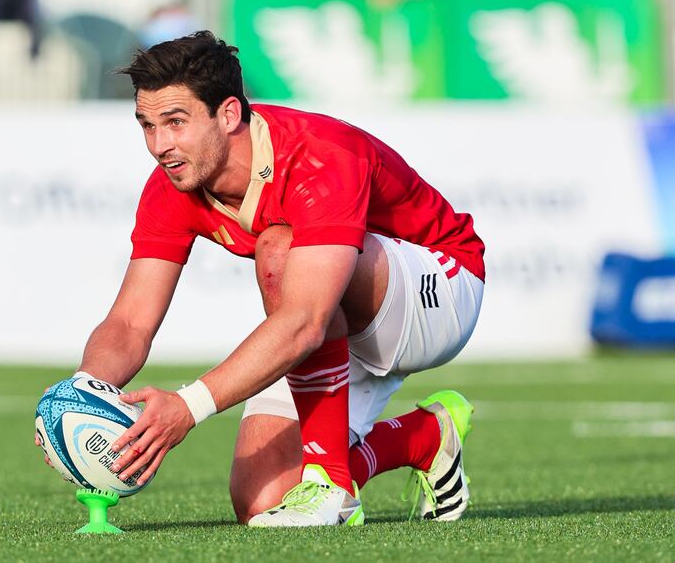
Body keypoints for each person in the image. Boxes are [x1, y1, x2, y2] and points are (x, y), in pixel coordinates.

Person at [42, 30, 485, 526]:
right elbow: (128, 323)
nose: (159, 145)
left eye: (175, 123)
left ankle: (331, 481)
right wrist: (79, 395)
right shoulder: (172, 184)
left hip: (440, 288)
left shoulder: (319, 154)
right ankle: (425, 437)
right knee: (264, 501)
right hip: (327, 314)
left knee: (279, 248)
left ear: (229, 114)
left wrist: (187, 407)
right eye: (147, 125)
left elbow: (303, 322)